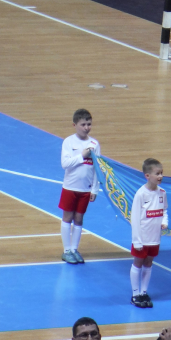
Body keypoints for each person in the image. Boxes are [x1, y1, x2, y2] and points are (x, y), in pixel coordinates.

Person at [59, 109, 101, 264]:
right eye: (83, 124)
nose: (86, 127)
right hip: (70, 187)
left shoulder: (94, 144)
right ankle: (66, 250)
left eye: (89, 124)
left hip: (85, 189)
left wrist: (95, 189)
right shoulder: (69, 142)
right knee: (68, 217)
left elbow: (97, 168)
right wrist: (82, 156)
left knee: (79, 218)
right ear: (74, 124)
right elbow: (65, 164)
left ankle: (75, 249)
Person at [130, 158, 168, 308]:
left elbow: (164, 210)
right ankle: (135, 294)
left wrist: (165, 221)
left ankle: (144, 291)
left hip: (155, 238)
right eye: (157, 173)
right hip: (142, 238)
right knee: (138, 263)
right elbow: (135, 219)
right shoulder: (140, 194)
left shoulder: (162, 193)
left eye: (161, 173)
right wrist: (137, 240)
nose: (160, 176)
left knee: (149, 263)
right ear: (147, 176)